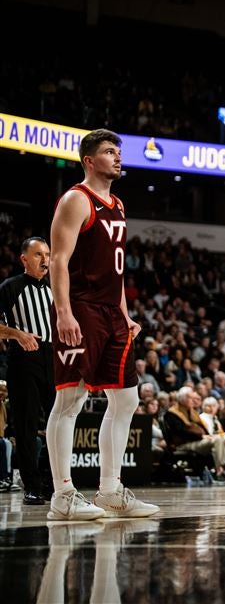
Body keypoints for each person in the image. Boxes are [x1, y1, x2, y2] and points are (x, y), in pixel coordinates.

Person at [45, 129, 158, 521]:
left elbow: (118, 270)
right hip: (81, 308)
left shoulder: (119, 204)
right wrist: (63, 312)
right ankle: (63, 495)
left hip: (111, 312)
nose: (118, 157)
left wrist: (125, 313)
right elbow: (58, 261)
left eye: (118, 151)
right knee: (70, 399)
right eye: (110, 152)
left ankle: (110, 490)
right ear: (89, 160)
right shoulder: (77, 199)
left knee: (126, 398)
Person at [0, 237, 48, 503]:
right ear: (24, 259)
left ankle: (58, 483)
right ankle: (33, 485)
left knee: (59, 422)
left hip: (55, 358)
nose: (45, 260)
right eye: (38, 254)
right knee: (26, 424)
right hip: (24, 358)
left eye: (48, 255)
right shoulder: (10, 287)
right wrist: (16, 333)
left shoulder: (57, 287)